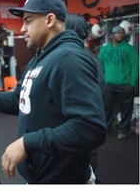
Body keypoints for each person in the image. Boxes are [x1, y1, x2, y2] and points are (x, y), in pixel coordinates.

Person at [0, 0, 107, 184]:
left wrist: (27, 143)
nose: (22, 29)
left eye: (28, 21)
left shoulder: (70, 60)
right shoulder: (38, 59)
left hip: (65, 179)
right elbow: (19, 101)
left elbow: (90, 128)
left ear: (49, 20)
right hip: (40, 175)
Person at [65, 13, 105, 182]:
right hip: (70, 130)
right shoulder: (70, 55)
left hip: (82, 128)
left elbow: (96, 95)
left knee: (84, 170)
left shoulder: (83, 59)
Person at [98, 26, 139, 140]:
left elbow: (135, 66)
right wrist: (102, 82)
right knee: (107, 108)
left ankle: (123, 130)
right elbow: (100, 67)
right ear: (112, 34)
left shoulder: (129, 49)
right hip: (108, 85)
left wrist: (132, 83)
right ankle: (106, 127)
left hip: (125, 85)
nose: (120, 35)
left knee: (126, 110)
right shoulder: (104, 50)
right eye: (118, 33)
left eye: (122, 33)